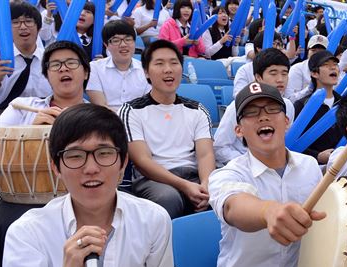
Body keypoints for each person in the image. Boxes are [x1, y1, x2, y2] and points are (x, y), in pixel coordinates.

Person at [2, 103, 215, 267]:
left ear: (123, 162)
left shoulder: (153, 218)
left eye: (104, 153)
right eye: (75, 156)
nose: (91, 168)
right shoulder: (27, 233)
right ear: (56, 167)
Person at [206, 82, 343, 267]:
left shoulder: (310, 166)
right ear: (238, 130)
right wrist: (268, 210)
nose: (264, 116)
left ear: (287, 121)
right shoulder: (227, 173)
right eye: (252, 112)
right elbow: (234, 205)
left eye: (272, 109)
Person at [119, 40, 215, 219]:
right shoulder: (131, 110)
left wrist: (207, 186)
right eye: (159, 63)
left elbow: (205, 155)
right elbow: (141, 160)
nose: (168, 69)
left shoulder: (197, 109)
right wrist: (185, 186)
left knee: (222, 195)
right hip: (153, 178)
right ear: (146, 72)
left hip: (192, 174)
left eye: (173, 63)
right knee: (168, 198)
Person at [214, 48, 295, 165]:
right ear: (258, 77)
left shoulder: (288, 105)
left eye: (284, 73)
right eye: (273, 73)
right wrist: (251, 162)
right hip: (244, 165)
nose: (280, 79)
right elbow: (219, 147)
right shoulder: (238, 106)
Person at [0, 41, 90, 128]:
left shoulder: (99, 116)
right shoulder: (20, 108)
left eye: (71, 63)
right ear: (47, 76)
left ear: (85, 73)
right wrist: (32, 132)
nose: (63, 68)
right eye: (55, 65)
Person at [0, 1, 52, 115]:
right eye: (15, 22)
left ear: (38, 27)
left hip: (46, 117)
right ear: (6, 28)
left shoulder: (51, 59)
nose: (23, 27)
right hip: (4, 118)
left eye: (28, 21)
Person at [86, 20, 151, 112]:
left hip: (139, 121)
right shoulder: (95, 68)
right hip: (105, 120)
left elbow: (147, 105)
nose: (123, 45)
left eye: (128, 39)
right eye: (116, 40)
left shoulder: (146, 69)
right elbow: (100, 105)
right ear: (106, 45)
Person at [293, 50, 342, 164]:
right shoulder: (302, 105)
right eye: (326, 65)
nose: (333, 68)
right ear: (314, 73)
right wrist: (318, 156)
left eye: (335, 65)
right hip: (312, 168)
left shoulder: (345, 103)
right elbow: (292, 144)